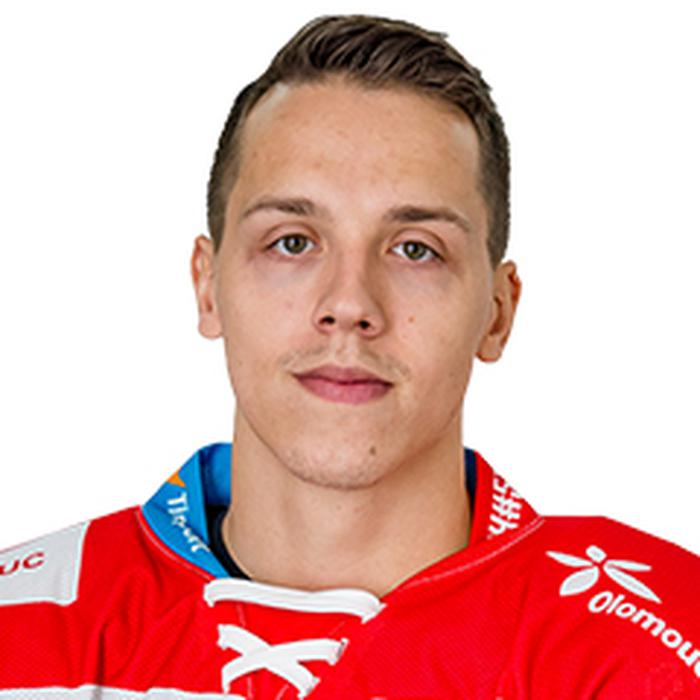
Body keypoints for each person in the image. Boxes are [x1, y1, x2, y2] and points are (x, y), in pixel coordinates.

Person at [1, 13, 698, 698]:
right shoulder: (18, 631)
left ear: (497, 313)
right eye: (292, 242)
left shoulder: (664, 648)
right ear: (207, 288)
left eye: (416, 250)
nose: (349, 303)